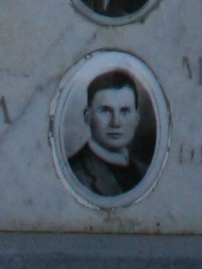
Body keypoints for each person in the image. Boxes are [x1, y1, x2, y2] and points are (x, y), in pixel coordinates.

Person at [67, 68, 156, 201]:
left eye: (124, 111)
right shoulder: (74, 173)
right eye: (106, 111)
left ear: (136, 118)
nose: (116, 123)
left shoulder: (146, 172)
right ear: (87, 116)